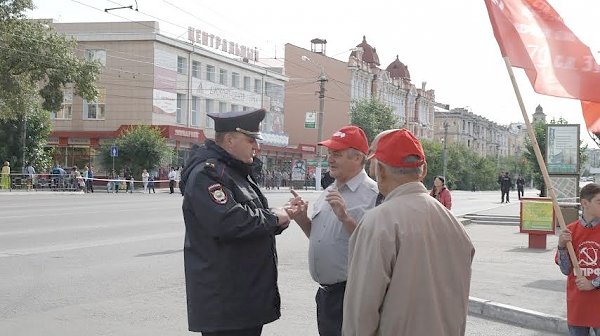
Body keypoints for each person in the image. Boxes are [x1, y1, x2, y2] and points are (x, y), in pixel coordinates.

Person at [342, 129, 475, 336]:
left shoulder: (378, 222)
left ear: (381, 171)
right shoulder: (454, 224)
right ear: (423, 171)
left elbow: (361, 312)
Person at [179, 109, 291, 336]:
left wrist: (277, 220)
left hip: (242, 298)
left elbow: (247, 216)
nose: (256, 147)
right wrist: (273, 218)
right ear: (229, 140)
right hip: (226, 303)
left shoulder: (234, 171)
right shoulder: (207, 174)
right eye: (250, 140)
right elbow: (229, 221)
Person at [286, 125, 378, 336]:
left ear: (358, 158)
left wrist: (345, 218)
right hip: (326, 296)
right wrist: (301, 219)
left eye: (337, 154)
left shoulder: (373, 195)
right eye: (329, 153)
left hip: (352, 295)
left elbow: (373, 246)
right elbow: (319, 237)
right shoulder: (330, 190)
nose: (330, 159)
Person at [556, 183, 600, 335]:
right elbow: (566, 270)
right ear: (584, 203)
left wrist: (593, 283)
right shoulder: (570, 230)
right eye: (599, 201)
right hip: (578, 304)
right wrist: (561, 246)